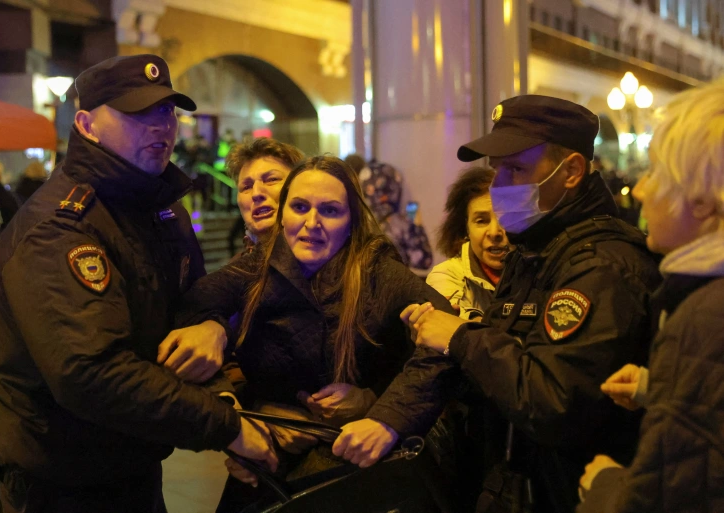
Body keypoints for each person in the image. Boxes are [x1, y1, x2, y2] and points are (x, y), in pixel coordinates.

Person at [0, 54, 276, 513]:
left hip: (133, 465)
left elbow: (192, 303)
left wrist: (212, 327)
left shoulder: (161, 209)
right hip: (60, 482)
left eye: (167, 111)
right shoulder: (59, 228)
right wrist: (225, 427)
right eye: (138, 113)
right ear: (86, 124)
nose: (160, 126)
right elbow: (89, 373)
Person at [375, 95, 662, 513]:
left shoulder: (602, 266)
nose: (499, 187)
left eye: (516, 169)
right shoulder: (534, 253)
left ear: (572, 171)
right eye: (496, 171)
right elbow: (503, 375)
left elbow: (554, 404)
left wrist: (461, 337)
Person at [179, 155, 456, 512]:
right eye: (299, 207)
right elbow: (188, 314)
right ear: (283, 215)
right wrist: (235, 420)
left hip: (356, 469)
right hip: (270, 467)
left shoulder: (377, 271)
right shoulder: (254, 269)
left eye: (329, 210)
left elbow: (450, 339)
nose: (312, 223)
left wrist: (385, 416)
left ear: (352, 220)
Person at [578, 79, 724, 513]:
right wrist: (659, 389)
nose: (640, 190)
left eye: (657, 173)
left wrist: (605, 485)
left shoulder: (703, 318)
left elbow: (669, 495)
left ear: (701, 201)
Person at [427, 166, 511, 320]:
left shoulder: (538, 272)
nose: (494, 232)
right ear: (466, 228)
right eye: (481, 221)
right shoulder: (446, 277)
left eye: (504, 218)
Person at [224, 137, 305, 256]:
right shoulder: (232, 273)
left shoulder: (334, 266)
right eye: (246, 187)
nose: (256, 194)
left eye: (272, 179)